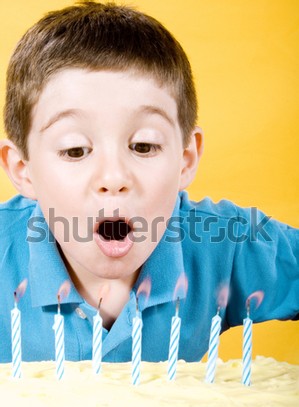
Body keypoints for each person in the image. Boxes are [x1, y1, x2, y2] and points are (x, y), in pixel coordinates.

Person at [0, 1, 298, 363]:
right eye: (76, 150)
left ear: (185, 159)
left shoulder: (224, 246)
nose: (113, 178)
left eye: (143, 145)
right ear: (22, 169)